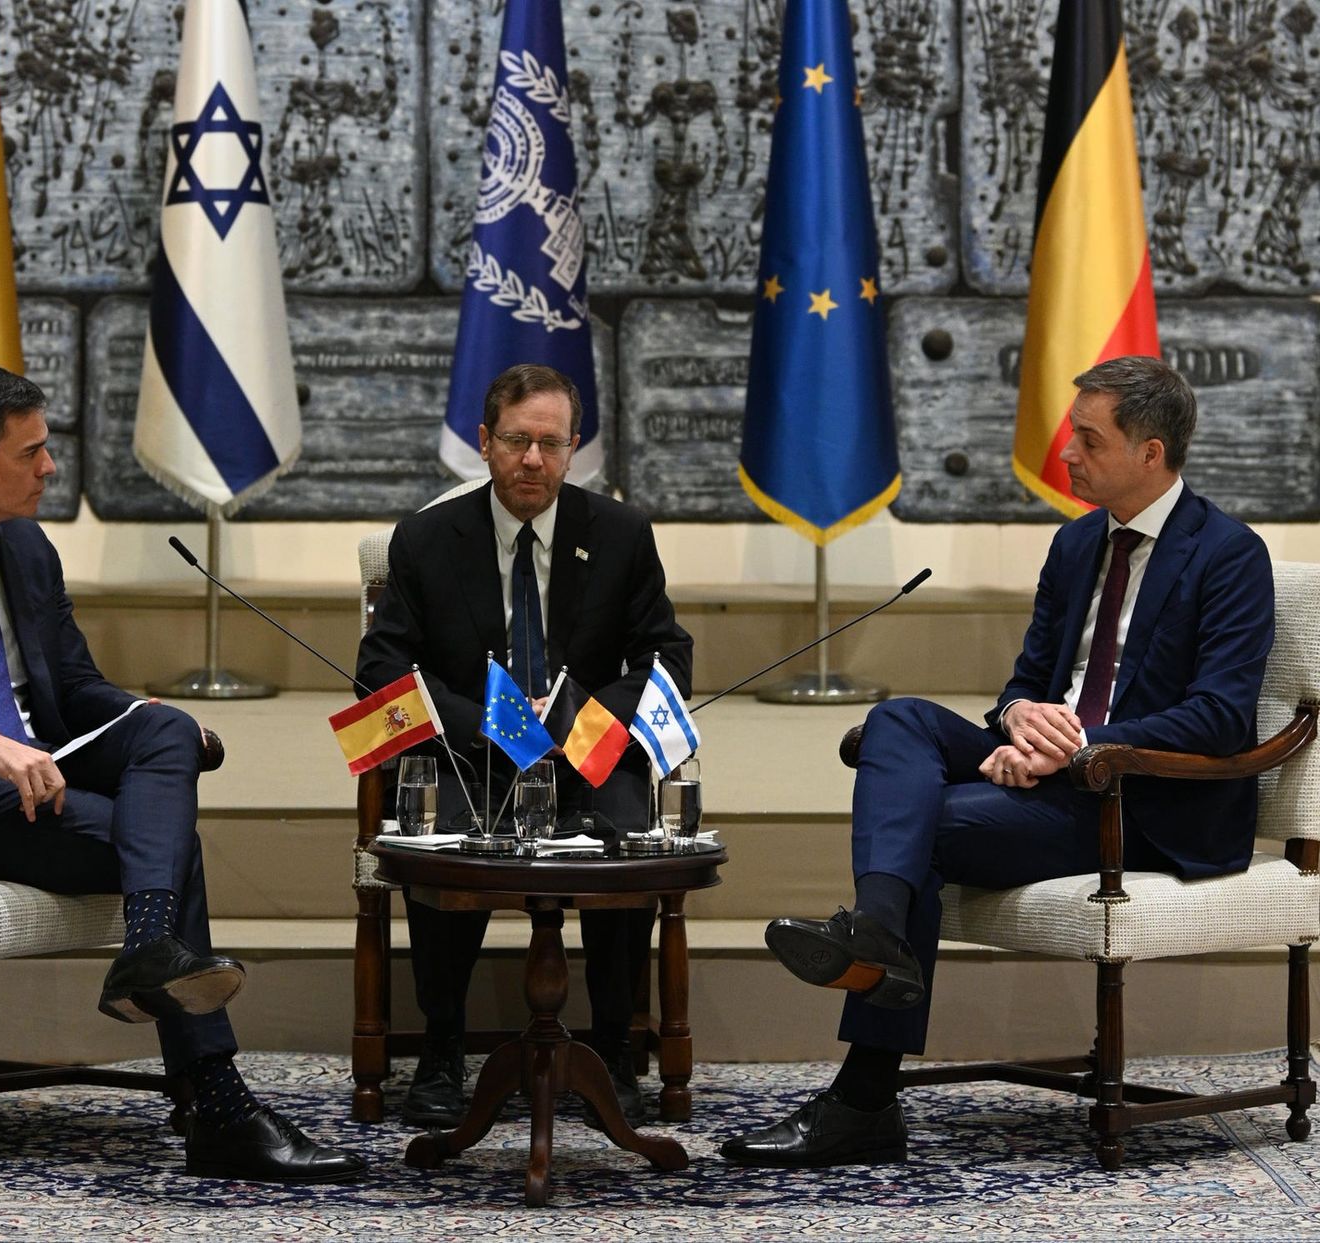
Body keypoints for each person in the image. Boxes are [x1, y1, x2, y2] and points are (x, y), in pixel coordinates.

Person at [0, 363, 364, 1184]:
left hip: (41, 770)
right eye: (30, 452)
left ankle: (148, 950)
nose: (50, 467)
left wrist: (144, 714)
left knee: (164, 730)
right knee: (166, 844)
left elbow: (76, 691)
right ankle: (215, 1097)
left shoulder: (25, 547)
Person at [720, 355, 1275, 1168]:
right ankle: (876, 932)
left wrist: (1075, 747)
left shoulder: (1229, 554)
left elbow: (1222, 716)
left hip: (1141, 803)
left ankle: (866, 1096)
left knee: (927, 823)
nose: (1068, 455)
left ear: (1150, 453)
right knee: (896, 721)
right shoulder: (1078, 543)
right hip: (1056, 770)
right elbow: (1023, 683)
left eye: (1088, 439)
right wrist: (1020, 722)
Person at [356, 363, 694, 1128]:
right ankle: (443, 1050)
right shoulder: (427, 539)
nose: (533, 460)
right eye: (516, 441)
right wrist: (495, 723)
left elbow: (667, 657)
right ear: (485, 442)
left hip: (584, 753)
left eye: (550, 442)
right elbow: (380, 669)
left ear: (574, 449)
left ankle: (612, 1046)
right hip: (474, 754)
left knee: (627, 816)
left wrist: (578, 721)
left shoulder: (620, 535)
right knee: (438, 824)